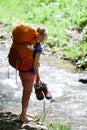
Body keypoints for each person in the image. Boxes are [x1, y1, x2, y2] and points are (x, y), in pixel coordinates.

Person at [19, 26, 52, 122]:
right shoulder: (38, 46)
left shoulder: (29, 42)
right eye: (45, 36)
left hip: (22, 69)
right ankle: (23, 117)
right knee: (27, 93)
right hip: (29, 72)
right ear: (42, 36)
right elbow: (35, 64)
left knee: (26, 91)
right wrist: (38, 78)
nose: (45, 39)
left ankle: (24, 113)